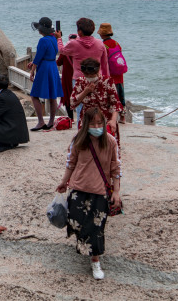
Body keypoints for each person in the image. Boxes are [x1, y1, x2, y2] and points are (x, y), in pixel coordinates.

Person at [56, 107, 122, 280]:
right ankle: (84, 244)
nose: (97, 126)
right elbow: (71, 163)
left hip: (100, 191)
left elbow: (116, 169)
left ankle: (95, 261)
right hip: (78, 188)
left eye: (100, 123)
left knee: (96, 228)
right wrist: (64, 182)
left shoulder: (110, 142)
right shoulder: (78, 140)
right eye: (92, 123)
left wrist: (116, 191)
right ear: (86, 124)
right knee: (76, 222)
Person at [71, 58, 122, 145]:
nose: (89, 78)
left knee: (107, 147)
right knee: (85, 147)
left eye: (91, 76)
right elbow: (73, 103)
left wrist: (113, 120)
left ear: (98, 72)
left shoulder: (107, 81)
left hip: (105, 118)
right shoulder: (80, 81)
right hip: (87, 119)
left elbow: (115, 103)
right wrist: (85, 92)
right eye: (87, 76)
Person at [28, 17, 63, 131]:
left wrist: (32, 71)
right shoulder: (54, 39)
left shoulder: (43, 40)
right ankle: (51, 121)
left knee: (34, 95)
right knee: (52, 96)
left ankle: (41, 121)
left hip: (44, 68)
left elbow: (38, 57)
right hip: (52, 66)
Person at [63, 18, 110, 83]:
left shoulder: (74, 43)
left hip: (79, 78)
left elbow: (62, 50)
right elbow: (105, 63)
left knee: (79, 93)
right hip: (96, 77)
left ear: (80, 32)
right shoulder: (100, 43)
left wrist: (59, 39)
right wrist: (107, 78)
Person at [98, 23, 128, 122]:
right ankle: (122, 117)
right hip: (119, 74)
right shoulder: (116, 43)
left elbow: (102, 61)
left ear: (102, 34)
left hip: (109, 74)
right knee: (120, 96)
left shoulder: (103, 45)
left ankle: (110, 117)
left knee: (111, 96)